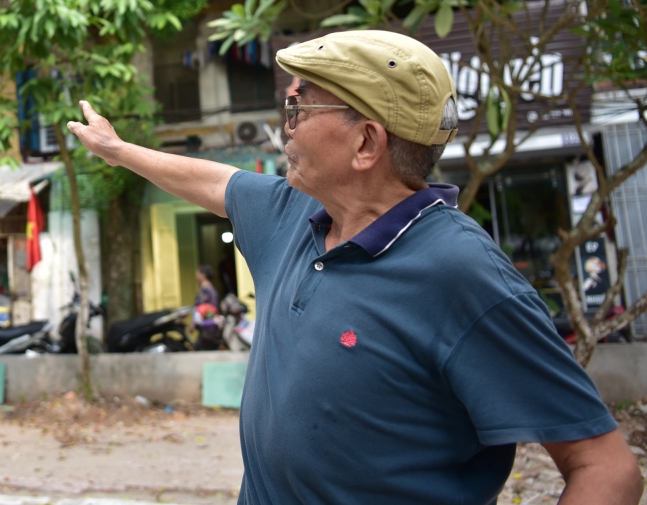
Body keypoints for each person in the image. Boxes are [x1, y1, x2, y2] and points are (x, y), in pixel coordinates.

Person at [67, 30, 642, 505]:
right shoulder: (294, 214)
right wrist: (119, 151)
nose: (286, 125)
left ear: (366, 142)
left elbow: (606, 469)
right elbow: (216, 181)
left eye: (300, 107)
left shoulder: (462, 273)